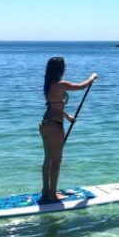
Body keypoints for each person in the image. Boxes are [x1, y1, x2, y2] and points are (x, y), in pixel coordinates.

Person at [39, 57, 97, 203]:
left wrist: (67, 116)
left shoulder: (48, 85)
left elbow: (54, 105)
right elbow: (82, 86)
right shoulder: (60, 84)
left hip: (45, 124)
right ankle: (53, 195)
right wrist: (92, 77)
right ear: (60, 69)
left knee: (48, 159)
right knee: (56, 160)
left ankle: (46, 190)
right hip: (54, 126)